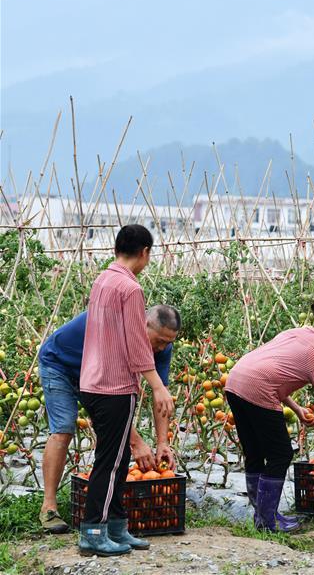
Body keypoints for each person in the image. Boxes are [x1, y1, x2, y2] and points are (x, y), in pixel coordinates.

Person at [225, 302, 314, 532]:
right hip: (257, 388)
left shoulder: (300, 332)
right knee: (281, 454)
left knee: (254, 452)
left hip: (235, 381)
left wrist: (295, 407)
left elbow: (272, 369)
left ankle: (264, 516)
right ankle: (267, 521)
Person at [37, 304, 181, 534]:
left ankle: (111, 513)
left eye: (168, 342)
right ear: (143, 325)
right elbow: (109, 398)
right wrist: (136, 442)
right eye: (159, 340)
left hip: (93, 376)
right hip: (61, 365)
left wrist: (163, 442)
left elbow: (160, 395)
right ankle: (49, 508)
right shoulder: (116, 336)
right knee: (63, 428)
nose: (162, 347)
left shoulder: (161, 348)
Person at [77, 225, 175, 557]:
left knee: (118, 459)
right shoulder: (130, 289)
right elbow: (136, 343)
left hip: (93, 380)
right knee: (110, 462)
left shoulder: (103, 280)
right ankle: (92, 531)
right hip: (114, 386)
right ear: (145, 252)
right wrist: (158, 386)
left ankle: (117, 528)